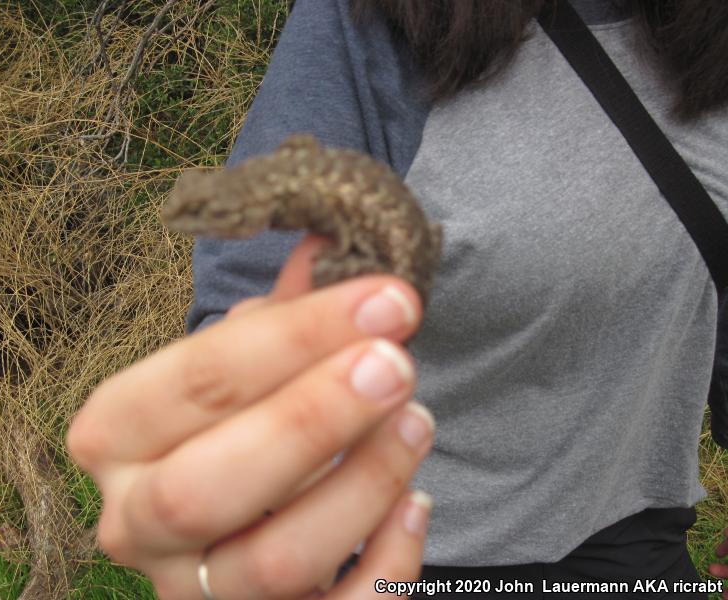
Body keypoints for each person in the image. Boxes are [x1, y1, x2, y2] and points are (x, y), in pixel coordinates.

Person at [66, 0, 728, 598]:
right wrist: (244, 492)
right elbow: (251, 297)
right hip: (401, 557)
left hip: (633, 542)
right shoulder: (378, 22)